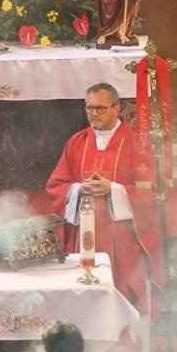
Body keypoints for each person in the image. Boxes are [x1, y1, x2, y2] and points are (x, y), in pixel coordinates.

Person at [45, 82, 164, 312]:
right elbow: (55, 186)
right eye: (89, 108)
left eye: (100, 108)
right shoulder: (76, 142)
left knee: (119, 302)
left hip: (120, 237)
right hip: (84, 235)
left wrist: (114, 189)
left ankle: (124, 342)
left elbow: (149, 191)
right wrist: (78, 189)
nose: (94, 114)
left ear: (116, 109)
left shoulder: (136, 144)